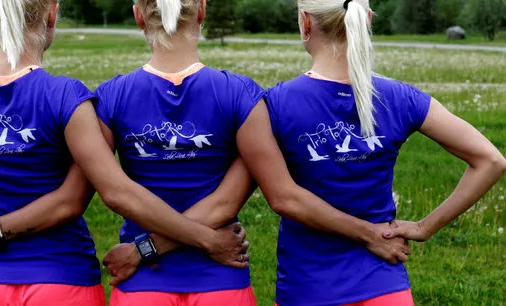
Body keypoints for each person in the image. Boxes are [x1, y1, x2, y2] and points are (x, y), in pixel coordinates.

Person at [0, 0, 249, 305]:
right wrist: (201, 239)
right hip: (63, 277)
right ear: (52, 14)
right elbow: (77, 200)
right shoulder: (66, 96)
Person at [96, 1, 415, 305]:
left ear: (139, 16)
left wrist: (143, 249)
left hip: (142, 283)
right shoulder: (241, 96)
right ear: (202, 11)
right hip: (220, 281)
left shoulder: (110, 97)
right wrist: (203, 240)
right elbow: (226, 202)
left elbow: (117, 192)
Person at [265, 0, 506, 305]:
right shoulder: (400, 97)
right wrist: (423, 228)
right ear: (366, 20)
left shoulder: (275, 103)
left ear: (305, 22)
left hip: (308, 288)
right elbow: (491, 160)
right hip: (384, 286)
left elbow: (282, 197)